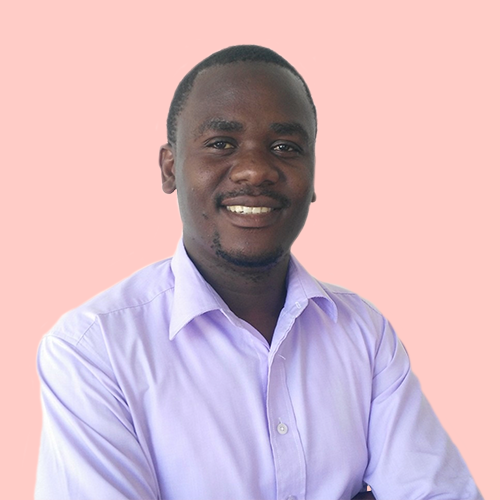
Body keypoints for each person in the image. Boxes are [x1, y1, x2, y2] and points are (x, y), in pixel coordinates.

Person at [35, 45, 482, 500]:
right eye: (221, 144)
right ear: (170, 169)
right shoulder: (93, 350)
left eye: (285, 147)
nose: (254, 170)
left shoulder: (365, 333)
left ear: (313, 175)